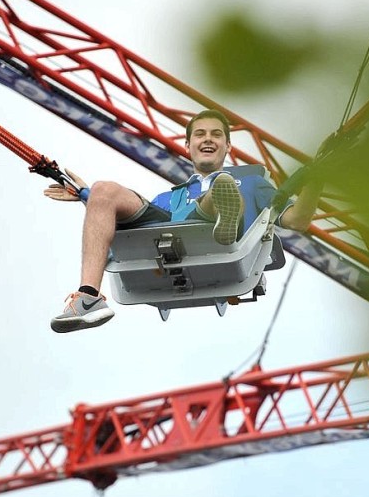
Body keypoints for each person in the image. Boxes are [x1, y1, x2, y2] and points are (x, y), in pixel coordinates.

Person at [44, 109, 321, 333]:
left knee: (224, 186)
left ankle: (222, 221)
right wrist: (90, 198)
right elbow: (135, 223)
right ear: (188, 145)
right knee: (103, 188)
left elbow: (296, 221)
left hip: (224, 241)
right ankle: (89, 297)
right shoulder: (170, 196)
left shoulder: (252, 184)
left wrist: (317, 179)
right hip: (165, 228)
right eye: (200, 134)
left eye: (216, 134)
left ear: (227, 146)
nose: (207, 139)